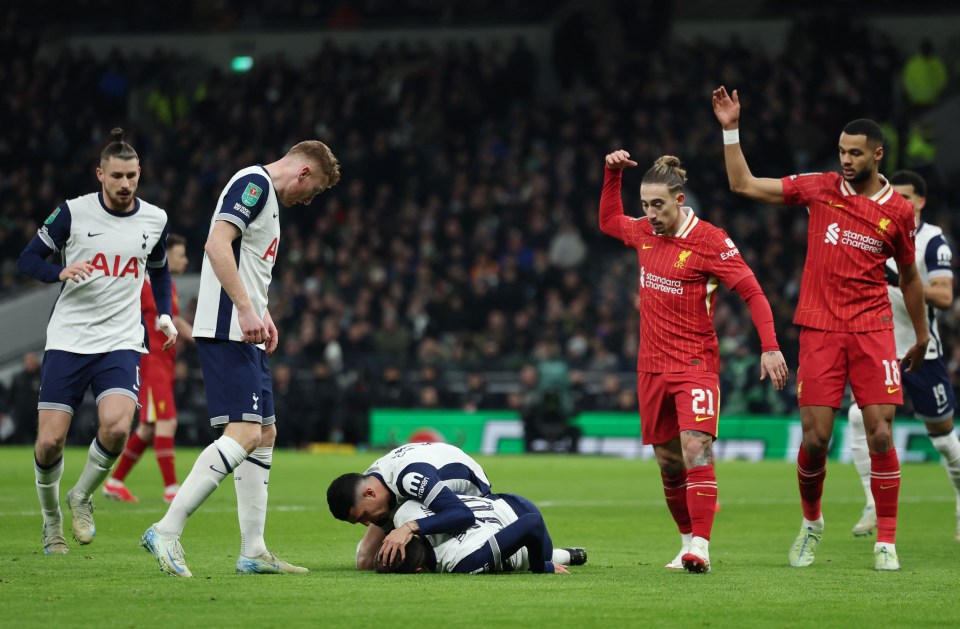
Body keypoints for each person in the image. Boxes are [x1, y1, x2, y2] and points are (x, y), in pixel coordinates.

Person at [712, 86, 930, 571]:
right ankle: (812, 523)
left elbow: (911, 277)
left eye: (855, 153)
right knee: (815, 440)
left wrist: (921, 334)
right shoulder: (821, 188)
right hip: (820, 328)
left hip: (873, 328)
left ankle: (887, 541)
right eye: (841, 152)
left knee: (879, 433)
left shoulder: (897, 211)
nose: (846, 160)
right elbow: (745, 185)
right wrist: (731, 132)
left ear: (878, 154)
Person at [141, 140, 340, 578]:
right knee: (246, 431)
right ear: (304, 173)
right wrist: (247, 311)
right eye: (315, 190)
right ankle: (167, 529)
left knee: (265, 433)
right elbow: (216, 245)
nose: (310, 200)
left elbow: (246, 265)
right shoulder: (253, 184)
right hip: (228, 329)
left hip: (245, 329)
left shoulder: (266, 198)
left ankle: (254, 550)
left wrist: (262, 312)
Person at [599, 152, 788, 574]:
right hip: (650, 367)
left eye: (658, 206)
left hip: (694, 364)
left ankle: (701, 545)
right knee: (668, 462)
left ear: (680, 199)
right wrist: (612, 174)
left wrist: (770, 345)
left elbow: (753, 291)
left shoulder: (710, 241)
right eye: (645, 205)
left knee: (695, 448)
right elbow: (609, 222)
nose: (649, 215)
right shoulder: (646, 234)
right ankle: (685, 543)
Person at [16, 128, 176, 554]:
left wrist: (162, 313)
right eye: (117, 176)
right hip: (69, 338)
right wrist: (59, 272)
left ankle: (82, 495)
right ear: (100, 174)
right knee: (49, 441)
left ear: (140, 174)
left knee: (119, 425)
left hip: (121, 339)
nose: (125, 184)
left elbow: (159, 269)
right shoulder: (72, 213)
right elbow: (28, 258)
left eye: (132, 176)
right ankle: (52, 523)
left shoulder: (155, 219)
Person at [845, 170, 960, 542]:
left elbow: (943, 297)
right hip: (879, 350)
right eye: (895, 196)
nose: (901, 203)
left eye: (908, 198)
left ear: (921, 202)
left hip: (922, 351)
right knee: (859, 420)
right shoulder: (873, 233)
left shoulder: (931, 241)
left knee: (943, 439)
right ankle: (872, 504)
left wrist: (901, 280)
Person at [103, 233, 193, 503]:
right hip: (151, 362)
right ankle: (171, 490)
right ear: (167, 256)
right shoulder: (142, 284)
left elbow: (174, 320)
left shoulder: (168, 286)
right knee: (167, 421)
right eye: (180, 255)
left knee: (149, 429)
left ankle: (115, 482)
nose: (185, 260)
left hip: (163, 363)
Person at [327, 442, 494, 570]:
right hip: (416, 485)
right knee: (365, 561)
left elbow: (462, 514)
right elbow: (366, 560)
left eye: (364, 515)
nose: (366, 523)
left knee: (409, 518)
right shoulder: (370, 485)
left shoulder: (412, 478)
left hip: (473, 491)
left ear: (370, 493)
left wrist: (409, 528)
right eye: (359, 521)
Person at [377, 493, 575, 575]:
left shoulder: (463, 561)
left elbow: (533, 523)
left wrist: (542, 567)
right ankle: (567, 554)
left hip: (520, 516)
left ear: (418, 569)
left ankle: (554, 556)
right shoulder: (407, 511)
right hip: (502, 500)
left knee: (542, 556)